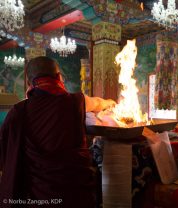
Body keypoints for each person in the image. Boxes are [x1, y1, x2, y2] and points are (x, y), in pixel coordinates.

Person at [0, 56, 116, 207]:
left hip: (35, 197)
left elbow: (4, 154)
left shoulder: (18, 111)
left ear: (29, 83)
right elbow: (98, 103)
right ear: (59, 77)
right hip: (75, 196)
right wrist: (111, 102)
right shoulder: (76, 102)